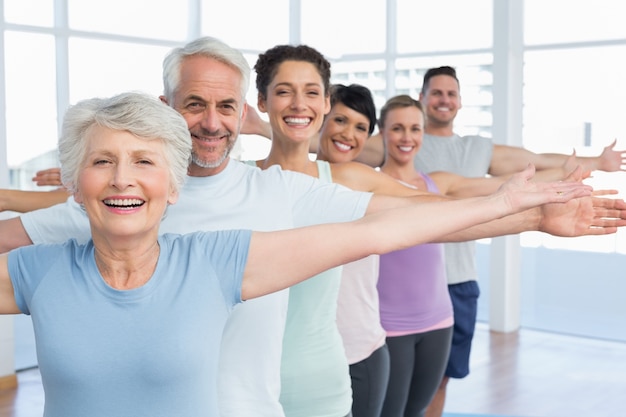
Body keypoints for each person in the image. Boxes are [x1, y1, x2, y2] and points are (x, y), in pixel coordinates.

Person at [0, 40, 624, 416]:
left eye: (224, 107)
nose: (124, 181)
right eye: (194, 104)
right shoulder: (88, 223)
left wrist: (531, 215)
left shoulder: (241, 235)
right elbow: (27, 219)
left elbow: (401, 227)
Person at [249, 45, 618, 417]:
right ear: (263, 100)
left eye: (311, 92)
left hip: (328, 379)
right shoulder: (241, 180)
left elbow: (436, 215)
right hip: (252, 384)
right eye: (284, 91)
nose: (299, 103)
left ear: (325, 102)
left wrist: (535, 218)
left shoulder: (349, 180)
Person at [357, 66, 626, 417]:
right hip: (389, 306)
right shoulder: (373, 170)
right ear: (420, 101)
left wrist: (587, 169)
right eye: (435, 93)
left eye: (451, 93)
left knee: (436, 386)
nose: (407, 136)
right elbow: (330, 141)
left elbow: (526, 171)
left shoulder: (457, 165)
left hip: (446, 296)